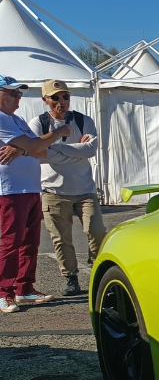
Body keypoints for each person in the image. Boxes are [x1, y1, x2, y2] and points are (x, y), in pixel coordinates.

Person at [29, 80, 104, 297]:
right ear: (45, 100)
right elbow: (37, 153)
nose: (61, 102)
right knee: (61, 238)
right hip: (53, 190)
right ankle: (71, 277)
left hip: (85, 189)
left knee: (96, 230)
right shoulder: (39, 123)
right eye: (55, 97)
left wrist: (56, 147)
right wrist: (74, 150)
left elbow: (90, 150)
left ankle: (97, 268)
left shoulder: (83, 120)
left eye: (65, 97)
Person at [0, 77, 61, 313]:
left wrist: (22, 148)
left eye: (19, 94)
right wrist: (58, 133)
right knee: (10, 242)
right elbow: (36, 147)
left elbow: (41, 152)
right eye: (13, 93)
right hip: (10, 189)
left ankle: (23, 288)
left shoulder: (17, 120)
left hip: (30, 187)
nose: (19, 98)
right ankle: (4, 291)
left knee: (30, 242)